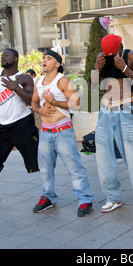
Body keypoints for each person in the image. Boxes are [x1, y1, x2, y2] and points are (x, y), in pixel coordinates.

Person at [91, 34, 133, 216]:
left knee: (132, 157)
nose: (110, 56)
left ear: (121, 47)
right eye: (107, 54)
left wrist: (124, 67)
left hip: (125, 110)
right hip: (104, 111)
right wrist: (97, 68)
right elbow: (93, 86)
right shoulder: (102, 58)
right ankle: (113, 197)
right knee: (103, 158)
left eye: (113, 53)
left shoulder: (132, 56)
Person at [31, 50, 94, 217]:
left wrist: (53, 101)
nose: (44, 60)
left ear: (57, 64)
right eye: (43, 58)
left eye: (49, 58)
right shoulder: (38, 82)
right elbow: (33, 103)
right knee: (45, 169)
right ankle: (48, 197)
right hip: (45, 132)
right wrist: (40, 110)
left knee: (74, 168)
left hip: (62, 131)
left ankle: (85, 199)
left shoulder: (63, 81)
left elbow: (77, 103)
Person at [0, 48, 39, 205]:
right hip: (1, 125)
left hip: (22, 123)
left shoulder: (24, 78)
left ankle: (48, 193)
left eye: (7, 55)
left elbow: (30, 101)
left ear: (16, 58)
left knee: (39, 159)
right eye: (2, 56)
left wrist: (15, 87)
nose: (3, 57)